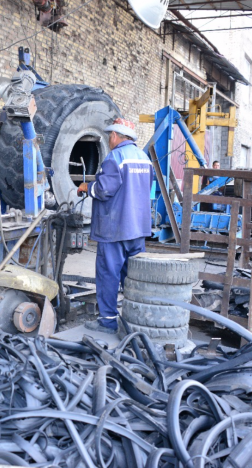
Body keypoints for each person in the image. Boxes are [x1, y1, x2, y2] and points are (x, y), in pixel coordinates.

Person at [77, 118, 152, 334]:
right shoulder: (144, 158)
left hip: (115, 228)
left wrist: (86, 187)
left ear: (115, 136)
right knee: (133, 276)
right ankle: (134, 319)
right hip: (137, 228)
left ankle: (108, 321)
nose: (109, 139)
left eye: (110, 135)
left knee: (108, 274)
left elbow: (103, 190)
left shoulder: (115, 158)